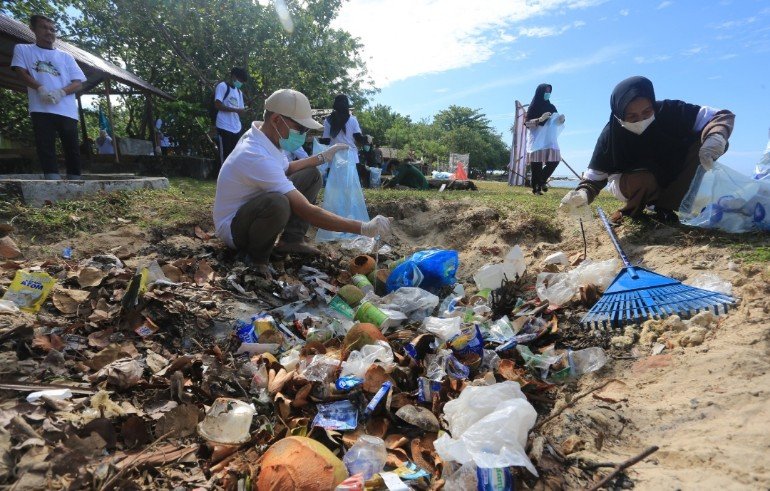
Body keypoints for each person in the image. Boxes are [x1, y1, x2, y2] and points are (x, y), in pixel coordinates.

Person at [213, 89, 391, 278]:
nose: (303, 134)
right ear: (276, 120)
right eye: (300, 129)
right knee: (278, 203)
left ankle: (292, 239)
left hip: (252, 210)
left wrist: (321, 158)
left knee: (311, 175)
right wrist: (363, 228)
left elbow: (287, 168)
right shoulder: (254, 154)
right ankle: (257, 259)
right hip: (235, 228)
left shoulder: (265, 137)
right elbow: (307, 211)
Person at [561, 76, 734, 224]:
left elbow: (720, 116)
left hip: (670, 171)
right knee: (644, 179)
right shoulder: (610, 135)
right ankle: (632, 210)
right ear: (619, 114)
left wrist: (716, 137)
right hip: (631, 182)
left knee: (711, 141)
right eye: (632, 117)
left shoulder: (671, 111)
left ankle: (665, 207)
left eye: (647, 112)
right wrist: (581, 195)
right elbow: (594, 179)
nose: (641, 120)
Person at [11, 14, 87, 180]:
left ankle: (75, 181)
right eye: (44, 27)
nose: (49, 32)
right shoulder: (23, 49)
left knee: (72, 148)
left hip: (66, 110)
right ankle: (52, 181)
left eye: (52, 29)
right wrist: (40, 88)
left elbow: (78, 83)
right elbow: (20, 72)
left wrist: (61, 92)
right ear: (33, 29)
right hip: (41, 107)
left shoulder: (66, 56)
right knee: (45, 146)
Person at [525, 83, 564, 195]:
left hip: (549, 139)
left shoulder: (551, 107)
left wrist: (561, 120)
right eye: (546, 91)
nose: (548, 93)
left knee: (555, 160)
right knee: (536, 164)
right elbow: (527, 124)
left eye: (549, 91)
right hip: (536, 139)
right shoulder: (533, 107)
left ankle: (541, 181)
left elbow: (556, 121)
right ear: (540, 92)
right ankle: (536, 188)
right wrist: (540, 119)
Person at [214, 67, 249, 171]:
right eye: (240, 80)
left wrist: (245, 112)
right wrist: (236, 110)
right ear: (234, 76)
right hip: (224, 126)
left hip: (236, 127)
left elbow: (240, 110)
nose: (240, 83)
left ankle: (232, 176)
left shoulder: (239, 92)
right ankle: (221, 175)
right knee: (224, 154)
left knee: (235, 155)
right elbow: (218, 104)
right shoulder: (223, 86)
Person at [321, 94, 364, 166]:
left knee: (333, 174)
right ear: (347, 105)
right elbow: (358, 138)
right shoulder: (353, 120)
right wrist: (367, 139)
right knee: (352, 174)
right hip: (351, 156)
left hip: (334, 157)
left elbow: (326, 141)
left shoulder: (328, 120)